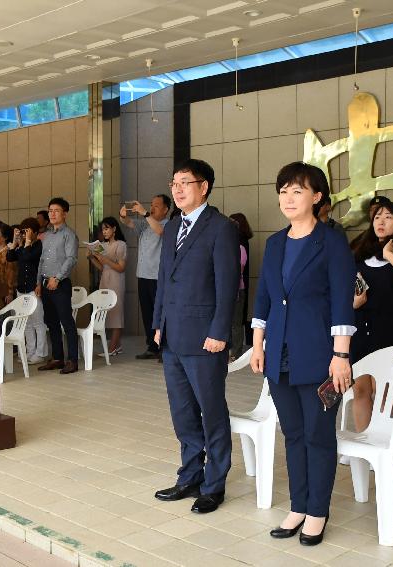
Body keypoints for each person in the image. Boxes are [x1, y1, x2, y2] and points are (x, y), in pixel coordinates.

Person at [249, 162, 355, 545]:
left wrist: (340, 355)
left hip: (320, 356)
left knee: (318, 435)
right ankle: (298, 505)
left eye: (297, 191)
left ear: (317, 197)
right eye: (283, 191)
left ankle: (317, 511)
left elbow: (343, 301)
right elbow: (264, 297)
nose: (288, 198)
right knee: (292, 434)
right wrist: (258, 344)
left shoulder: (331, 242)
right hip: (279, 354)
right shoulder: (275, 242)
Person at [152, 158, 238, 515]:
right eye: (174, 183)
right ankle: (189, 474)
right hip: (172, 335)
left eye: (185, 182)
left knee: (211, 411)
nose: (177, 188)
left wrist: (220, 332)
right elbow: (163, 278)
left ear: (204, 187)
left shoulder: (221, 227)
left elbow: (227, 284)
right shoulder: (172, 227)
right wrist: (158, 323)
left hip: (205, 339)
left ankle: (214, 484)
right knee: (182, 412)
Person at [350, 201, 393, 432]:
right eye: (378, 216)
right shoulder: (361, 255)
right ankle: (363, 438)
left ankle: (385, 441)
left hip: (391, 329)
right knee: (360, 389)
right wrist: (355, 303)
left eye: (388, 217)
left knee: (386, 390)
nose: (381, 221)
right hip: (361, 329)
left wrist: (389, 253)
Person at [119, 195, 170, 360]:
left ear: (165, 209)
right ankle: (152, 346)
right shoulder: (145, 224)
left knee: (160, 313)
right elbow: (129, 223)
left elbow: (160, 231)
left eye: (156, 205)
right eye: (151, 205)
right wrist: (123, 216)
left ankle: (164, 347)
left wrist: (145, 214)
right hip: (143, 275)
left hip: (157, 277)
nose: (152, 208)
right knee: (147, 313)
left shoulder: (168, 224)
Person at [36, 198, 79, 375]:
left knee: (66, 322)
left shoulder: (69, 234)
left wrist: (58, 278)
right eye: (50, 210)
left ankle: (73, 360)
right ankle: (57, 358)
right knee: (51, 322)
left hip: (60, 284)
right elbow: (42, 260)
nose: (52, 214)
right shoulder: (46, 236)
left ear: (64, 213)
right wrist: (38, 282)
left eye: (56, 210)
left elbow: (71, 259)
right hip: (45, 284)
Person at [7, 218, 47, 364]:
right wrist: (15, 241)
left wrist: (28, 243)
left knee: (38, 322)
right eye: (23, 232)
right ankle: (30, 352)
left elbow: (29, 257)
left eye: (27, 231)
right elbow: (10, 257)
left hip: (33, 288)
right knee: (27, 323)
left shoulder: (39, 245)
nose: (25, 234)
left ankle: (41, 353)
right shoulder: (23, 246)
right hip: (21, 289)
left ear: (35, 232)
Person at [87, 217, 127, 355]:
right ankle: (118, 345)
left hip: (116, 280)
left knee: (116, 313)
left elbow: (121, 268)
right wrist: (92, 258)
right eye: (102, 229)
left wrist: (104, 259)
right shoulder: (103, 245)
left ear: (114, 229)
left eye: (107, 228)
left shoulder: (120, 245)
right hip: (105, 279)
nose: (104, 232)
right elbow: (103, 268)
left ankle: (112, 348)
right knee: (107, 313)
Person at [228, 213, 254, 360]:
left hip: (237, 289)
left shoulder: (240, 246)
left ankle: (236, 353)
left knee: (235, 323)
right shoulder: (232, 244)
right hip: (230, 289)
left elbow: (237, 269)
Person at [0, 220, 17, 309]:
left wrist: (10, 292)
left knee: (6, 318)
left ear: (5, 237)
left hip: (4, 292)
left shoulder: (9, 252)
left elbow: (11, 272)